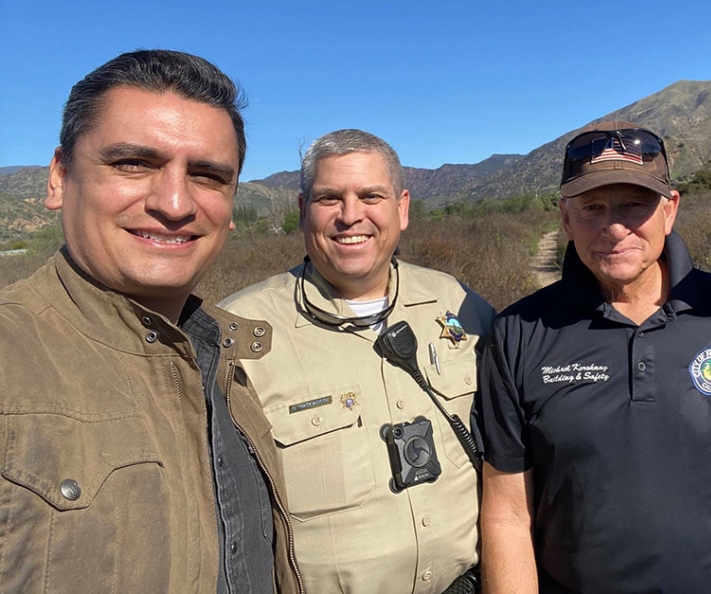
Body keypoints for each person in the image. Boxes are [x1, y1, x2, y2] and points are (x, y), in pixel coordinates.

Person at [0, 50, 303, 593]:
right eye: (134, 163)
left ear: (232, 205)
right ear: (58, 178)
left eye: (208, 175)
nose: (174, 202)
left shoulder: (223, 356)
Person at [476, 120, 711, 593]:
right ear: (565, 218)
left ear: (670, 209)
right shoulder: (519, 332)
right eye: (591, 207)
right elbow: (507, 514)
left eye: (634, 204)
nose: (614, 227)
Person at [220, 129, 495, 594]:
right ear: (303, 209)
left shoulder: (460, 304)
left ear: (402, 208)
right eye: (330, 198)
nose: (352, 216)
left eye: (371, 195)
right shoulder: (240, 333)